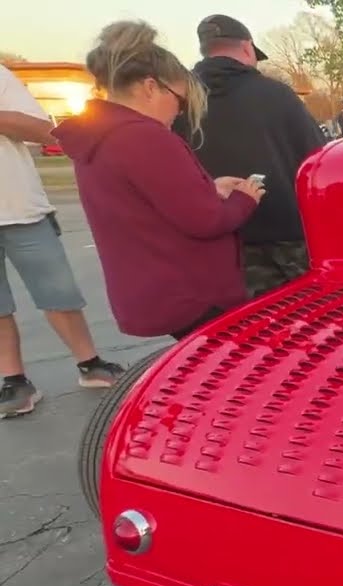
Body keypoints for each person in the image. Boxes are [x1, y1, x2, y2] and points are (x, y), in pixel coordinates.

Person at [52, 21, 264, 345]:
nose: (179, 111)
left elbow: (146, 202)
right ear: (151, 87)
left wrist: (212, 188)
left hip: (151, 287)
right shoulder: (145, 137)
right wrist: (244, 199)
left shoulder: (99, 136)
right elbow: (205, 219)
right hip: (191, 294)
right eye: (179, 99)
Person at [0, 65, 124, 419]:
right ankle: (14, 381)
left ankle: (90, 363)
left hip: (20, 209)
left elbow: (45, 132)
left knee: (59, 294)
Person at [173, 14, 327, 298]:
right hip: (290, 235)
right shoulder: (276, 94)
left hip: (227, 240)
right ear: (247, 48)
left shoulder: (181, 104)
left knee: (255, 322)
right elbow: (318, 159)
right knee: (313, 314)